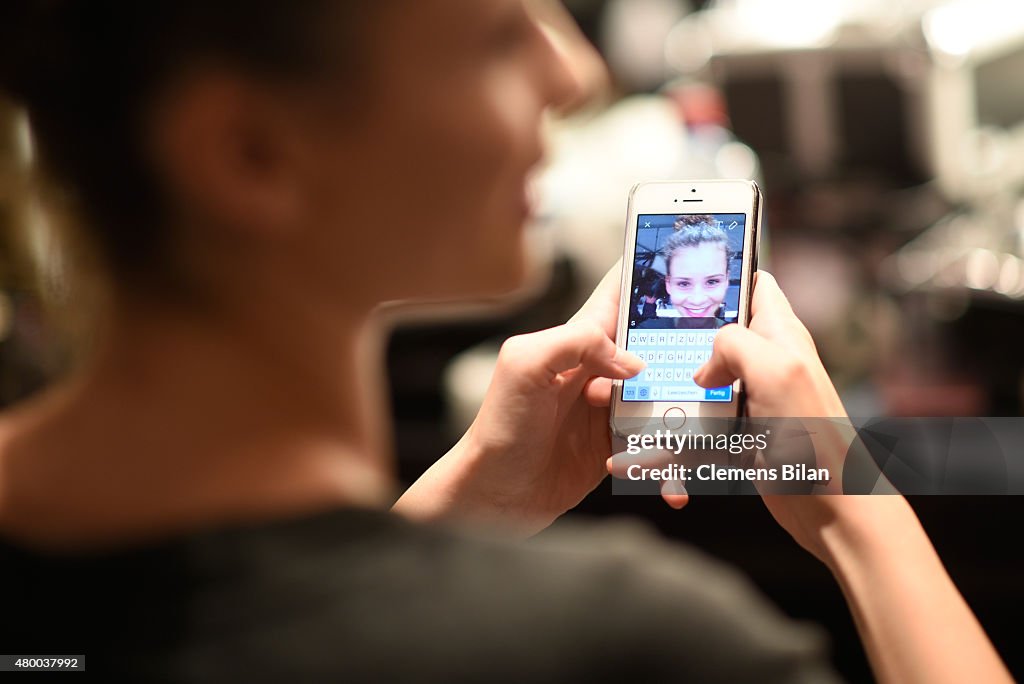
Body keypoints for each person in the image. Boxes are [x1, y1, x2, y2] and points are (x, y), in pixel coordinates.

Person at [0, 1, 1012, 682]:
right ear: (250, 153)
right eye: (494, 33)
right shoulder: (624, 645)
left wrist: (466, 501)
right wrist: (854, 515)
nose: (573, 70)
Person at [637, 215, 734, 330]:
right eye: (684, 283)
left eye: (712, 282)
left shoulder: (740, 336)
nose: (697, 300)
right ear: (668, 283)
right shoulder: (647, 332)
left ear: (726, 280)